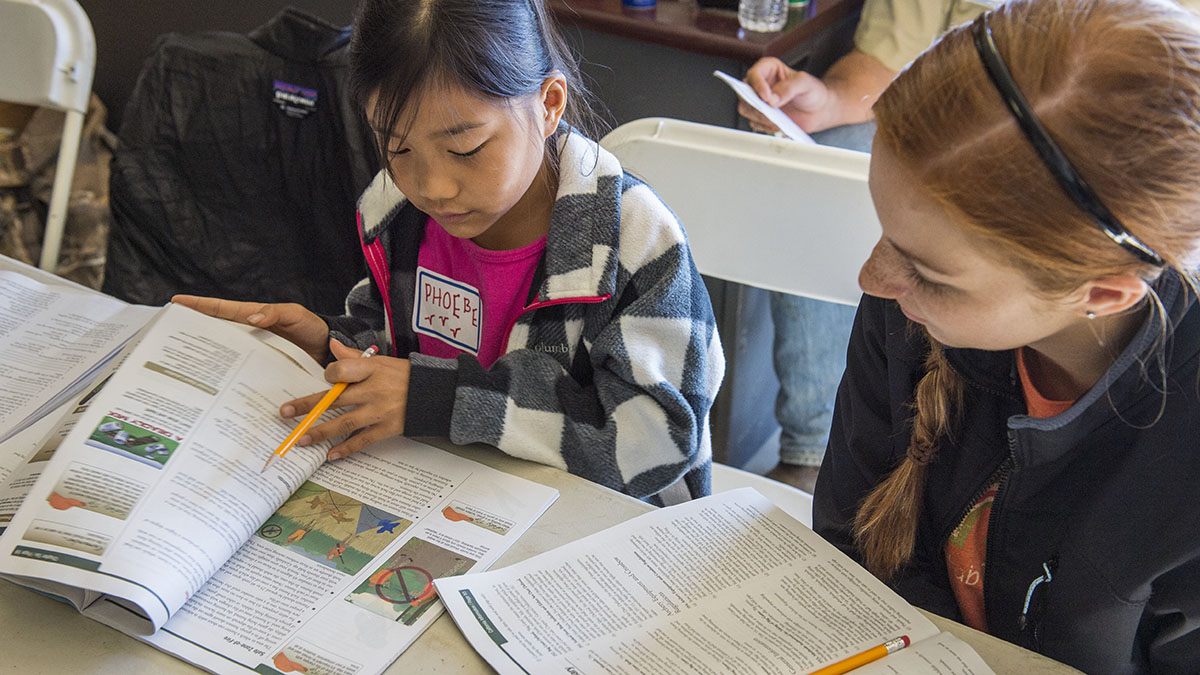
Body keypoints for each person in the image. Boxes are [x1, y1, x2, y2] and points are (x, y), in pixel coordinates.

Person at [174, 0, 724, 506]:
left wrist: (440, 399)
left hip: (612, 529)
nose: (434, 186)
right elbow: (392, 343)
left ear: (549, 104)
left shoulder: (635, 239)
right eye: (398, 147)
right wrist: (329, 344)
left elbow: (655, 442)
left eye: (466, 148)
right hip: (458, 497)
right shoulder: (396, 211)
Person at [814, 0, 1200, 671]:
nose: (872, 277)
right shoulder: (907, 312)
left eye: (929, 272)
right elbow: (847, 543)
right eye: (886, 233)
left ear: (1104, 292)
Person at [738, 0, 1000, 493]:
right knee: (827, 157)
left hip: (1072, 164)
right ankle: (816, 446)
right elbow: (886, 61)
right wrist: (831, 98)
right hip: (944, 127)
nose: (869, 280)